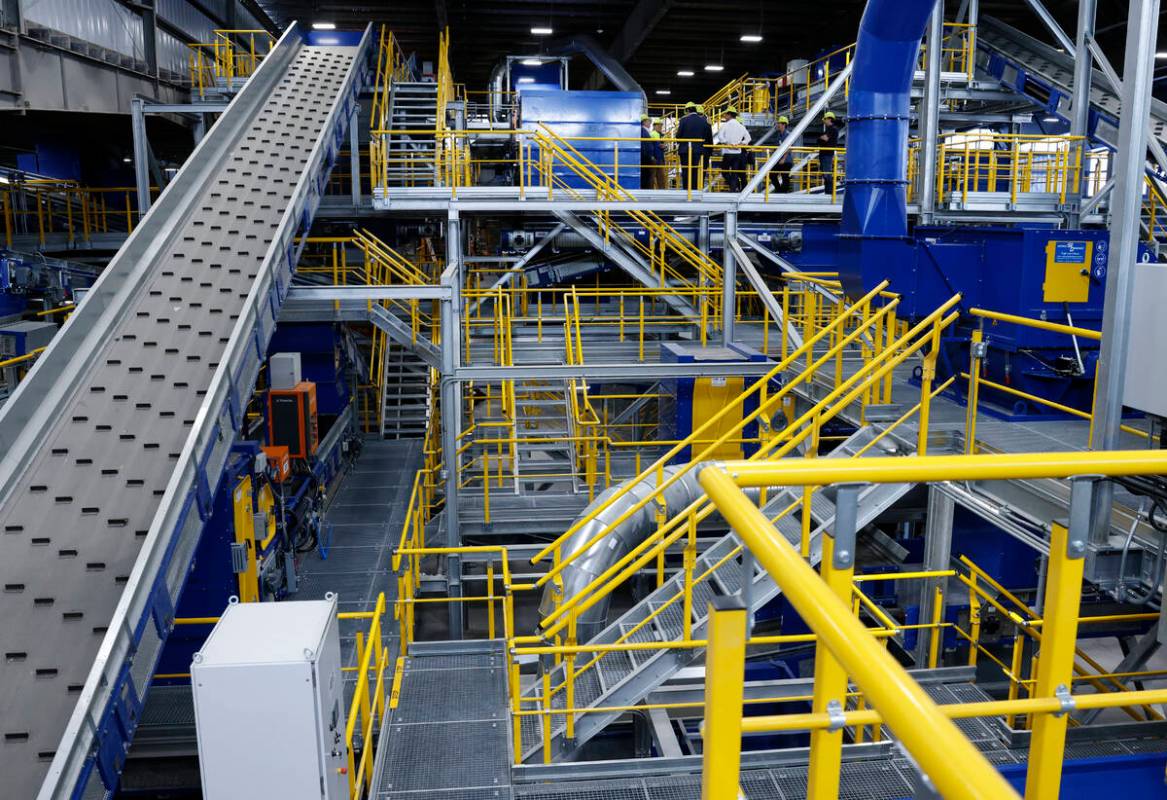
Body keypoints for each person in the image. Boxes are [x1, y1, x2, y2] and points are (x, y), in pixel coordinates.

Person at [676, 102, 713, 190]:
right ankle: (695, 190)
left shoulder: (683, 120)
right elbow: (707, 137)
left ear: (688, 110)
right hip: (698, 150)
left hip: (685, 150)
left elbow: (678, 136)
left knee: (686, 170)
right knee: (696, 170)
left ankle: (686, 190)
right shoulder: (704, 121)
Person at [714, 106, 751, 192]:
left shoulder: (726, 125)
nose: (724, 116)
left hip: (727, 152)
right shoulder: (741, 126)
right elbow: (748, 138)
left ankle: (733, 186)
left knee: (724, 171)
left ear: (729, 115)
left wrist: (727, 143)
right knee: (734, 173)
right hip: (737, 153)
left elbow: (720, 136)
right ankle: (733, 188)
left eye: (726, 114)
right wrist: (740, 144)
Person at [818, 110, 840, 196]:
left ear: (829, 119)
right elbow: (820, 139)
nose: (824, 120)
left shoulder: (833, 129)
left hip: (827, 154)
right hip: (823, 153)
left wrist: (822, 138)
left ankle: (829, 192)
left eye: (825, 119)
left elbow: (825, 139)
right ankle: (827, 191)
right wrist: (821, 138)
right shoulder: (828, 129)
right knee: (824, 173)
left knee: (827, 173)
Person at [770, 115, 793, 193]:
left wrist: (783, 159)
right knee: (772, 175)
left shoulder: (788, 135)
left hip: (786, 161)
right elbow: (776, 146)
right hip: (779, 160)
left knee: (785, 177)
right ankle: (779, 190)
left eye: (779, 123)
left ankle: (783, 192)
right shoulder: (779, 135)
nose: (777, 125)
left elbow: (789, 147)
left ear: (784, 124)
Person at [639, 115, 655, 189]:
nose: (650, 123)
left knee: (646, 176)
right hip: (645, 158)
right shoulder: (643, 131)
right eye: (649, 121)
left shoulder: (644, 131)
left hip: (645, 157)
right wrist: (650, 157)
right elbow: (645, 146)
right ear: (644, 122)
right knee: (646, 176)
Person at [650, 119, 666, 189]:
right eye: (659, 126)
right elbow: (650, 147)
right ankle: (651, 191)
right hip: (654, 159)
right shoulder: (652, 134)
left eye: (661, 126)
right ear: (654, 126)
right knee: (653, 177)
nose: (660, 127)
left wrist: (664, 147)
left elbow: (662, 147)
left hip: (659, 159)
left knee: (660, 178)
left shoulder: (661, 135)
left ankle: (661, 191)